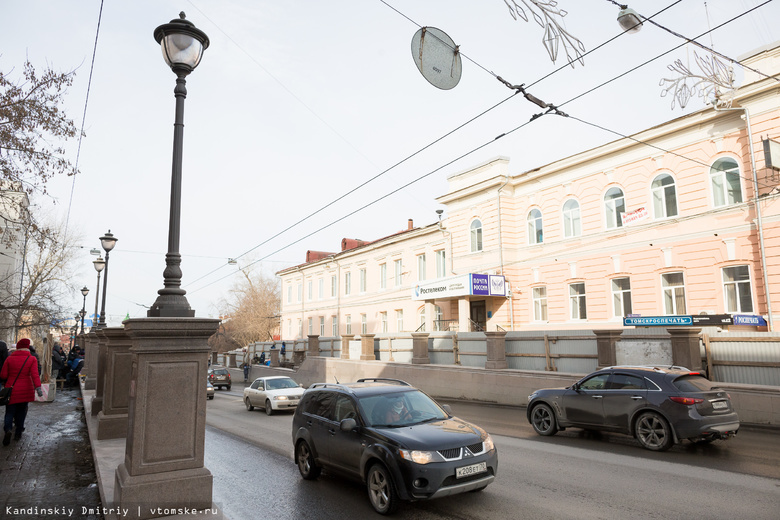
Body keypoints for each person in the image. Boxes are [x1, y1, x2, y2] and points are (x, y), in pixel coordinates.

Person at [1, 338, 42, 446]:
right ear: (27, 348)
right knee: (21, 412)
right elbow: (35, 374)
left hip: (11, 389)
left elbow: (3, 375)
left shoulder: (9, 359)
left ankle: (8, 429)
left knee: (9, 412)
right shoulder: (32, 359)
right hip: (26, 389)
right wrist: (38, 387)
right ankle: (18, 432)